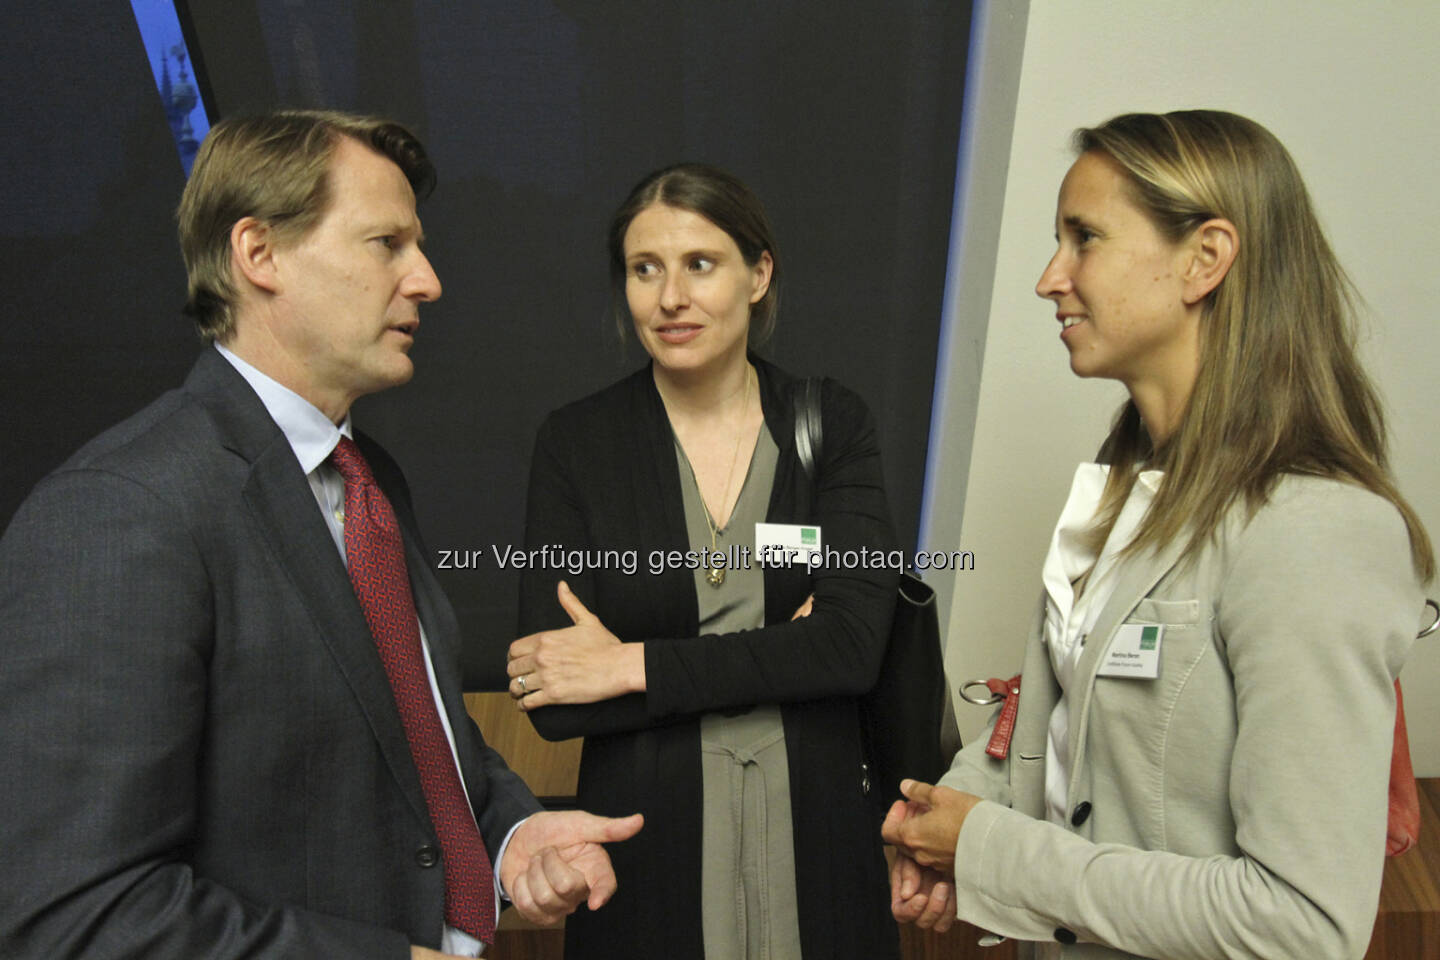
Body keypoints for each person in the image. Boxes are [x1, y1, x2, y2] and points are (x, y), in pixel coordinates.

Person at [0, 109, 642, 960]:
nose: (427, 280)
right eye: (387, 243)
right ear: (258, 254)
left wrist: (511, 839)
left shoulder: (368, 478)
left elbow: (410, 736)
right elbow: (72, 914)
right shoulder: (121, 509)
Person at [883, 109, 1434, 959]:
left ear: (1205, 259)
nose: (1049, 277)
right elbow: (1067, 741)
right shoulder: (1121, 497)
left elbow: (1304, 926)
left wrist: (988, 850)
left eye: (1085, 239)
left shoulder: (1316, 530)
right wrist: (942, 819)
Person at [505, 163, 902, 958]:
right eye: (644, 269)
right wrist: (784, 654)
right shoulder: (578, 444)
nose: (670, 298)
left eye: (700, 265)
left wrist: (633, 666)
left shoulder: (832, 425)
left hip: (820, 843)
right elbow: (552, 695)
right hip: (645, 852)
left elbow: (853, 648)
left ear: (758, 274)